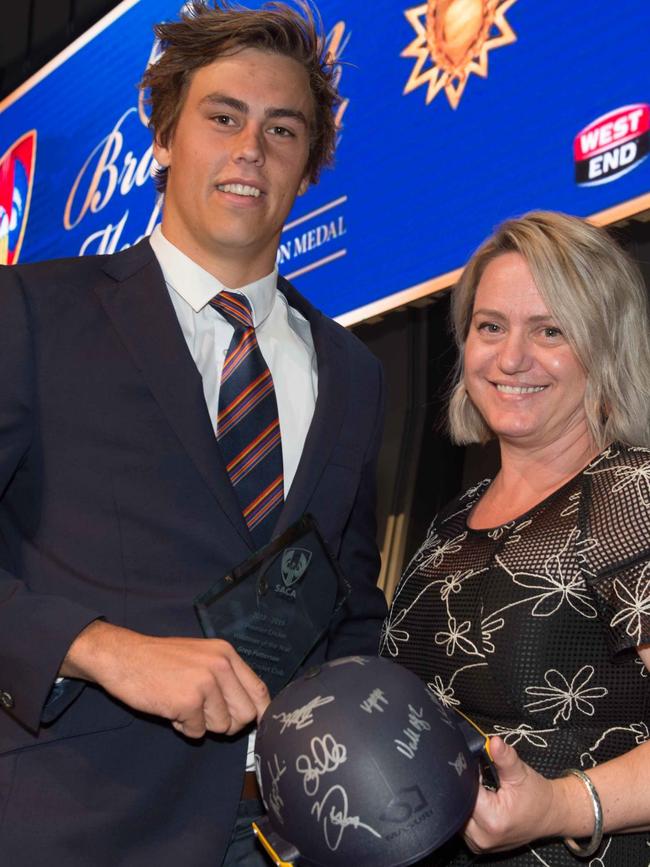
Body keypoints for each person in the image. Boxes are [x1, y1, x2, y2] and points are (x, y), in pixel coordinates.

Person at [0, 3, 387, 865]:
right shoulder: (31, 311)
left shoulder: (355, 374)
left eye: (282, 129)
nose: (251, 149)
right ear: (166, 136)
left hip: (288, 836)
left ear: (309, 166)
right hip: (75, 827)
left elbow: (350, 613)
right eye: (223, 117)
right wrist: (96, 647)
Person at [381, 210, 650, 864]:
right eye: (490, 326)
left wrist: (559, 805)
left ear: (605, 347)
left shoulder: (630, 491)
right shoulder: (456, 516)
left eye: (550, 330)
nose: (511, 357)